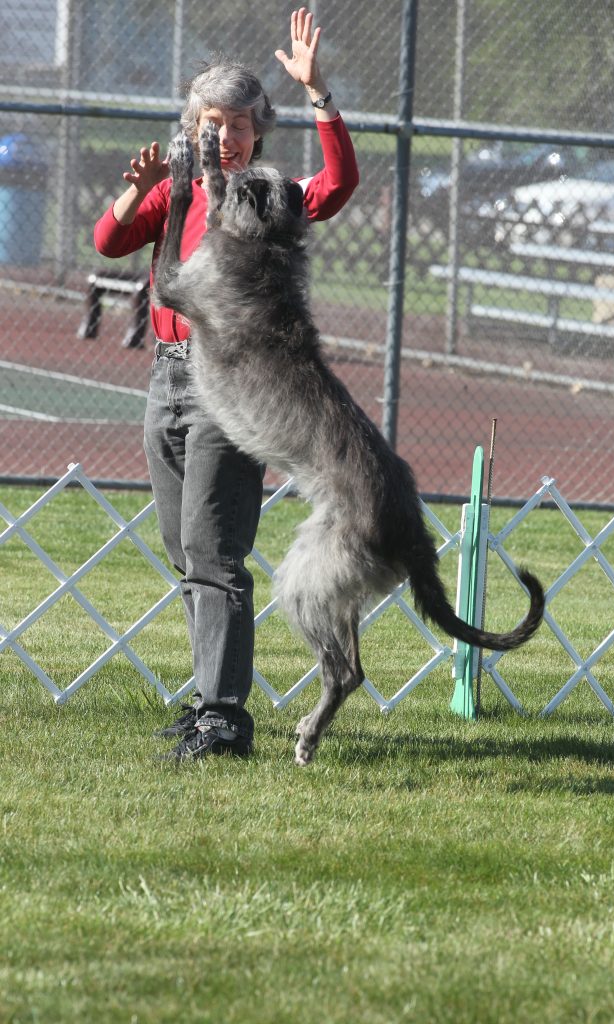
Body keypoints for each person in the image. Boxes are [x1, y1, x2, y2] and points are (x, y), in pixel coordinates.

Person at [94, 7, 359, 762]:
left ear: (257, 131)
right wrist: (134, 191)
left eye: (240, 122)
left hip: (229, 389)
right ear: (194, 125)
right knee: (186, 549)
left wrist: (320, 95)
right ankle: (211, 698)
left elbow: (336, 186)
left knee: (214, 550)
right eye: (214, 121)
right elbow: (110, 241)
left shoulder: (265, 196)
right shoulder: (176, 192)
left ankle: (224, 717)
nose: (227, 135)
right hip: (165, 381)